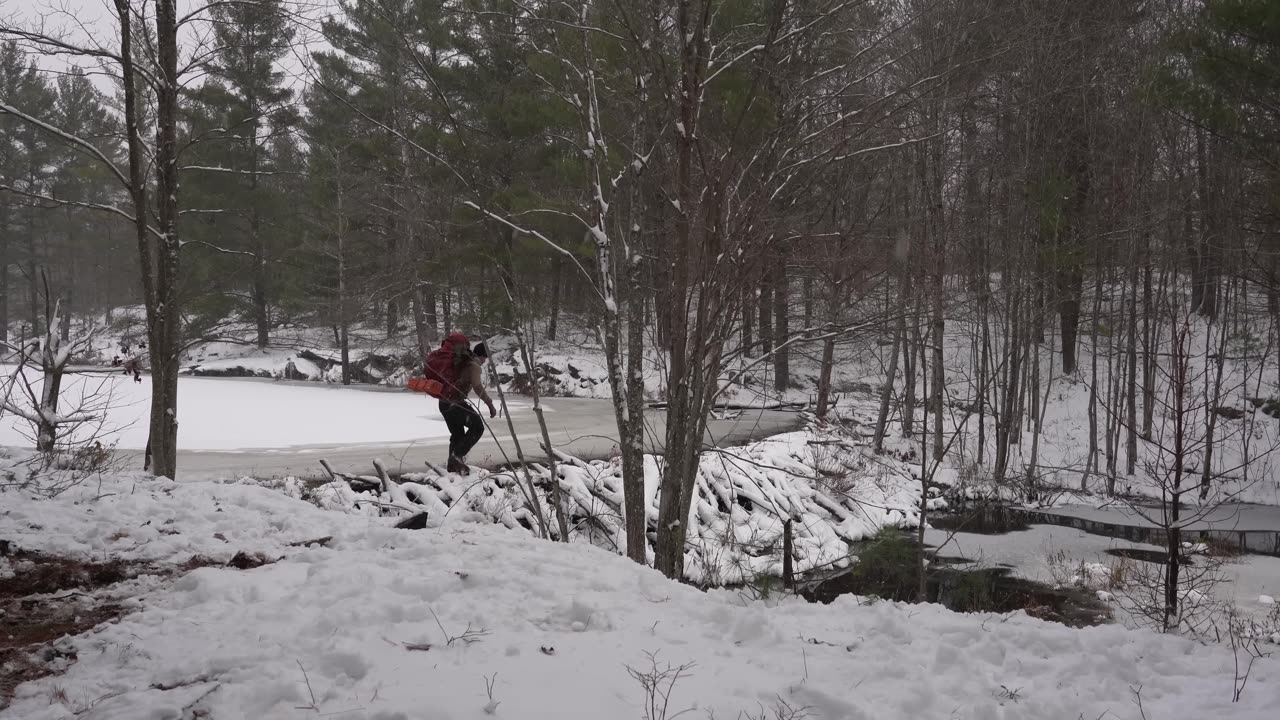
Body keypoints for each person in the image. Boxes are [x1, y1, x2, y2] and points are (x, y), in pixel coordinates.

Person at [440, 341, 497, 475]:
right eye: (485, 357)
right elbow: (477, 386)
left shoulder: (462, 361)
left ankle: (452, 467)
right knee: (477, 427)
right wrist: (489, 403)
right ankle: (457, 456)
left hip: (443, 403)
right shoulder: (474, 365)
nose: (485, 361)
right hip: (455, 403)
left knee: (457, 434)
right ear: (482, 356)